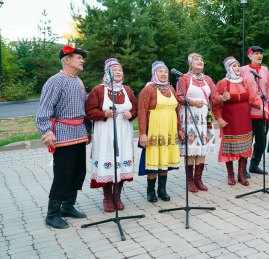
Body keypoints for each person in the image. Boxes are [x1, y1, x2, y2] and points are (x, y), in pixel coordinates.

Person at [36, 46, 92, 229]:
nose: (82, 60)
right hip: (62, 134)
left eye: (82, 58)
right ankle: (52, 214)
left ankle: (68, 206)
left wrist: (88, 130)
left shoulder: (79, 81)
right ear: (66, 60)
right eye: (78, 57)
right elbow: (43, 111)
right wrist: (46, 132)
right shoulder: (55, 81)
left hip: (79, 134)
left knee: (78, 172)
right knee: (63, 174)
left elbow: (83, 109)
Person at [85, 58, 137, 212]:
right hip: (105, 132)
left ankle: (117, 197)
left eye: (120, 70)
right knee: (108, 163)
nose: (119, 73)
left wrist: (131, 114)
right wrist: (104, 113)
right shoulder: (98, 90)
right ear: (107, 73)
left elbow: (135, 108)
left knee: (121, 162)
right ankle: (107, 198)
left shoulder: (127, 90)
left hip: (124, 133)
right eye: (115, 70)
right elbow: (89, 112)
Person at [138, 61, 185, 203]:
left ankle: (162, 190)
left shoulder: (171, 89)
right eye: (160, 72)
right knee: (154, 159)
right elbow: (141, 112)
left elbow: (176, 111)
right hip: (154, 129)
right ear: (154, 74)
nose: (164, 74)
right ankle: (150, 190)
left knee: (165, 159)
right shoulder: (148, 89)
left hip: (169, 130)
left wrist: (179, 129)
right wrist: (142, 134)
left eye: (165, 71)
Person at [213, 57, 264, 186]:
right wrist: (219, 118)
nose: (237, 68)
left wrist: (261, 106)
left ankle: (241, 174)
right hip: (230, 120)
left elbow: (252, 99)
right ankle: (230, 175)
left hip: (244, 120)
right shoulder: (222, 83)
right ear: (229, 68)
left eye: (238, 66)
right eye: (234, 66)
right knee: (229, 148)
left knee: (245, 147)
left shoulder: (245, 82)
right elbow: (215, 102)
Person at [177, 53, 222, 192]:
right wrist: (191, 102)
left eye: (202, 59)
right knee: (191, 148)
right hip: (190, 115)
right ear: (191, 63)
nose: (200, 61)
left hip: (204, 116)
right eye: (197, 59)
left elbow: (214, 96)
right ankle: (189, 181)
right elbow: (179, 96)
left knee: (202, 146)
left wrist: (224, 98)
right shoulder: (184, 78)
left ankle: (198, 179)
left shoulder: (207, 79)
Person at [241, 46, 269, 176]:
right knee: (247, 140)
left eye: (261, 53)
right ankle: (242, 168)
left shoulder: (265, 69)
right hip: (247, 111)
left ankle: (254, 165)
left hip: (262, 111)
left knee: (261, 141)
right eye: (256, 54)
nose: (259, 56)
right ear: (250, 56)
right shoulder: (243, 69)